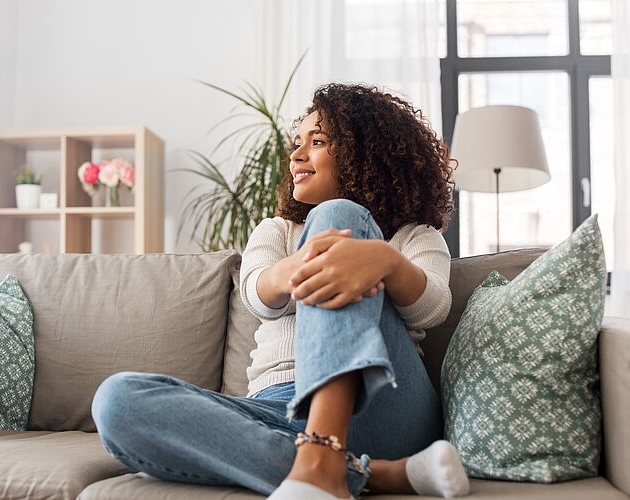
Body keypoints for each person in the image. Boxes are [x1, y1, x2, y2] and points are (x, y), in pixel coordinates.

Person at [91, 83, 470, 500]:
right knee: (117, 401)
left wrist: (385, 261)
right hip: (277, 411)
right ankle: (366, 473)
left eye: (318, 141)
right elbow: (257, 295)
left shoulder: (416, 236)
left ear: (367, 153)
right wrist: (295, 269)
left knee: (337, 215)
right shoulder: (275, 231)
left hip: (383, 404)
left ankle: (326, 453)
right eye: (297, 142)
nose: (296, 155)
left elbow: (432, 309)